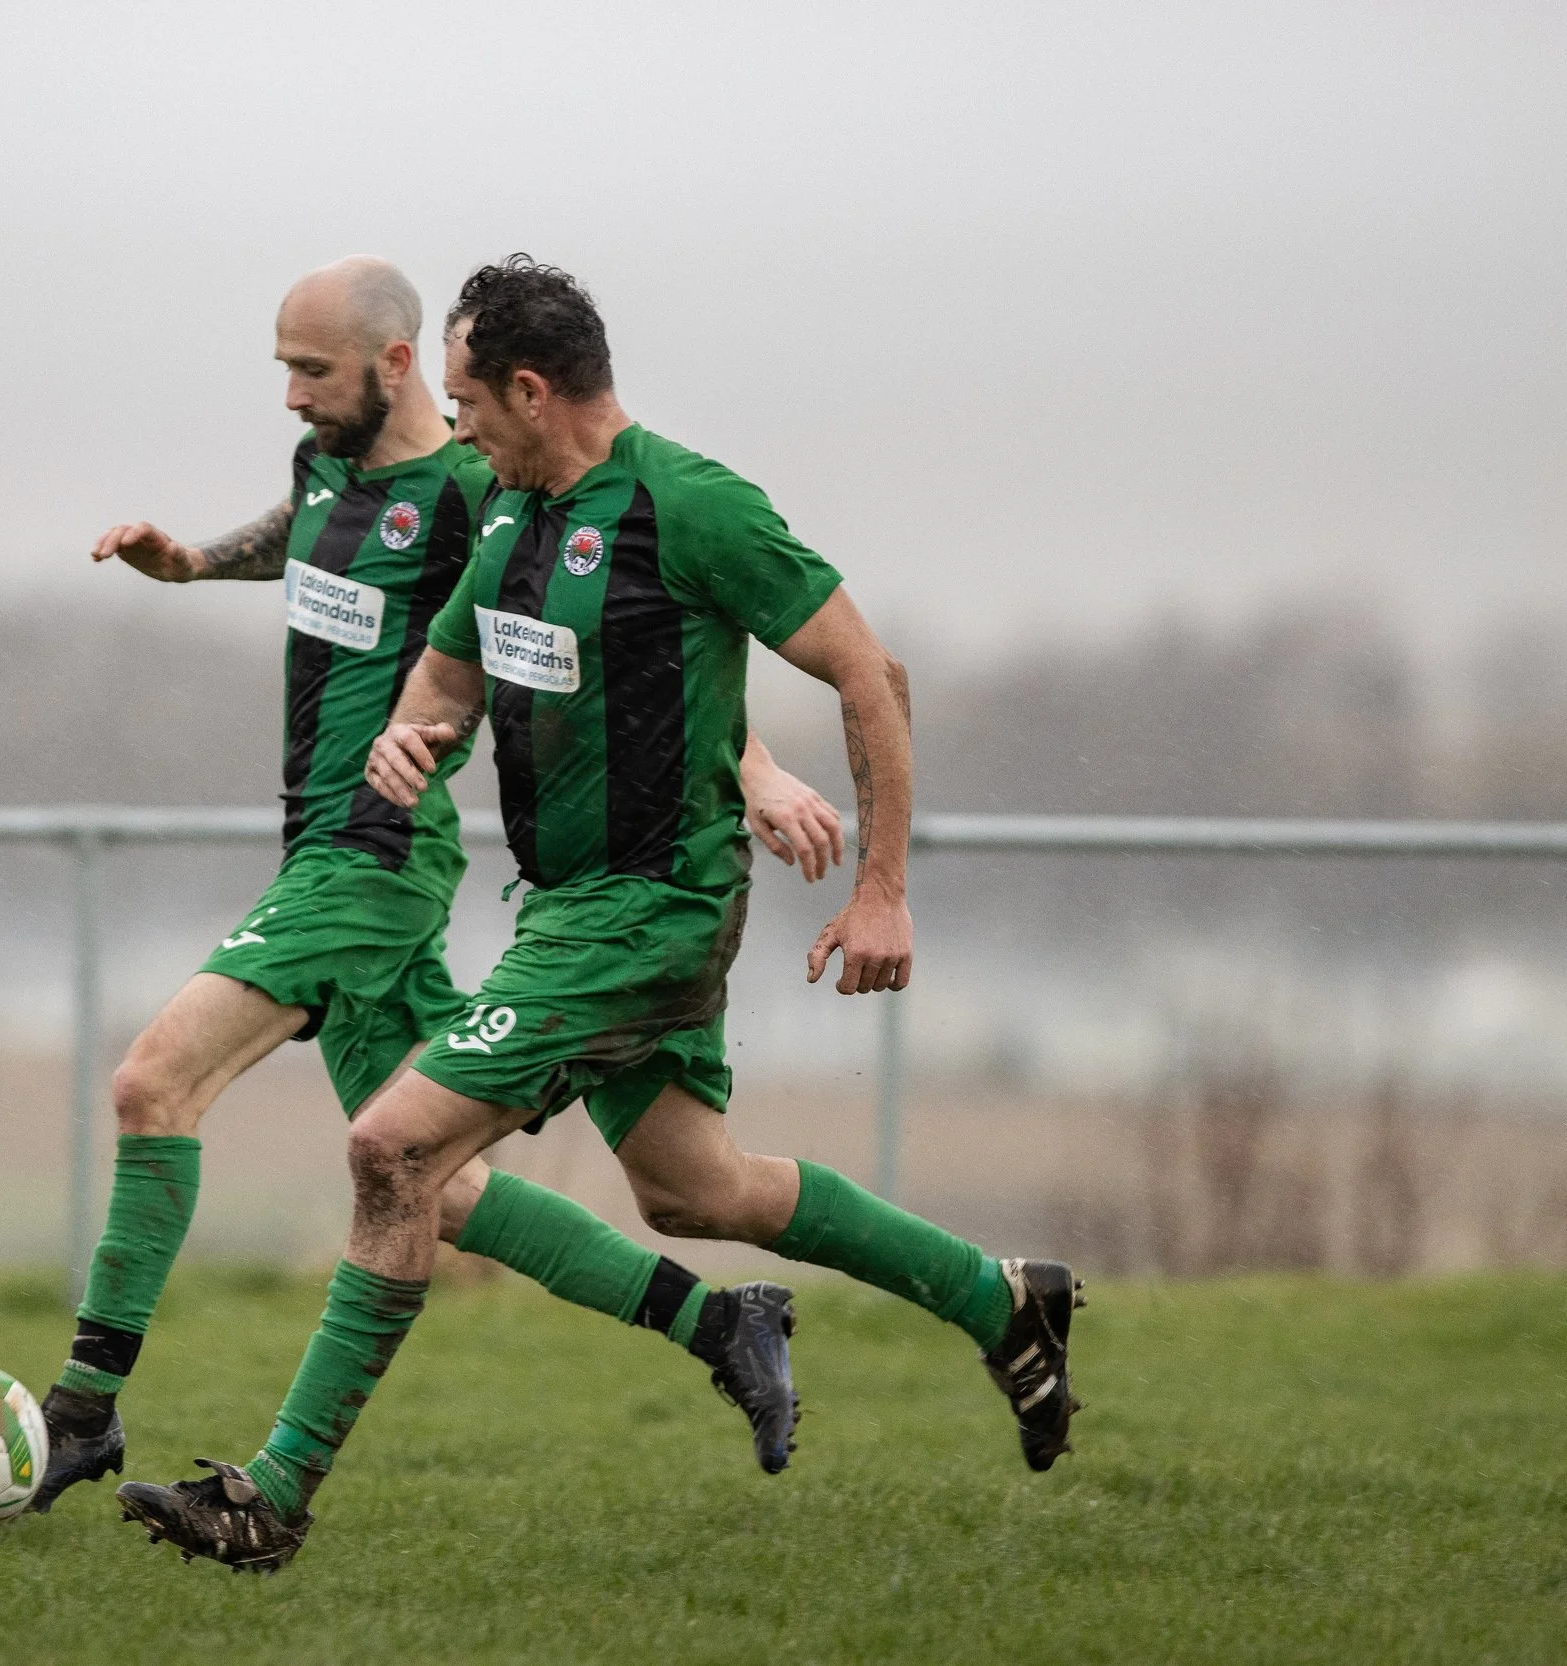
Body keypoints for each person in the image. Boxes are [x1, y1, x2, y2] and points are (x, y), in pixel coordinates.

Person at [119, 256, 1085, 1572]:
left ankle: (273, 1495)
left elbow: (871, 669)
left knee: (392, 1146)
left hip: (652, 914)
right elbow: (448, 671)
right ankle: (1003, 1300)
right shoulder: (513, 520)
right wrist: (412, 737)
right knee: (700, 1190)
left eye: (468, 403)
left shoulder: (689, 507)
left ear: (531, 390)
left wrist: (883, 888)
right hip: (567, 910)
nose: (455, 432)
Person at [44, 257, 849, 1512]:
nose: (294, 397)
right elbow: (307, 546)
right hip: (317, 848)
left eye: (312, 371)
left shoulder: (486, 486)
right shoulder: (326, 469)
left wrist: (750, 768)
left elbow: (628, 637)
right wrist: (193, 563)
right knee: (440, 1188)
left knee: (154, 1082)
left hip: (373, 854)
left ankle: (81, 1413)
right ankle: (717, 1323)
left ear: (400, 362)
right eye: (285, 370)